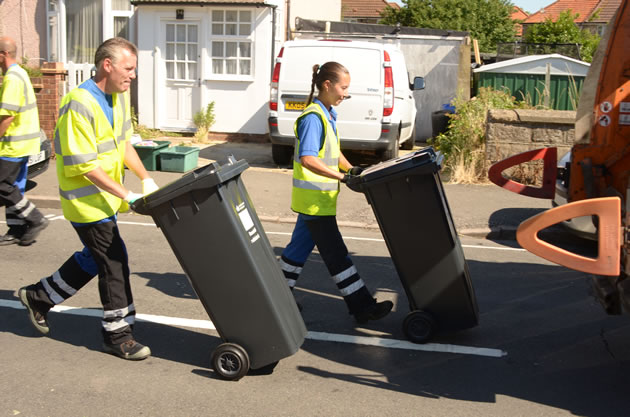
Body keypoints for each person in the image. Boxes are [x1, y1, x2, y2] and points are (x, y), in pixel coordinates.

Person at [18, 37, 159, 361]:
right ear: (107, 66)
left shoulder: (118, 97)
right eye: (129, 68)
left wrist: (146, 178)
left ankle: (39, 297)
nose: (133, 75)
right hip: (85, 203)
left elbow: (123, 144)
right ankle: (117, 334)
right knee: (113, 260)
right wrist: (128, 194)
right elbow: (84, 165)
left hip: (106, 200)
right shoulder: (77, 103)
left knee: (94, 258)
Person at [279, 62, 393, 324]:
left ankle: (276, 298)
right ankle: (362, 307)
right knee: (337, 255)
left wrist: (352, 170)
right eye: (343, 88)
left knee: (296, 253)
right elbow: (308, 158)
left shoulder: (326, 114)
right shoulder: (312, 118)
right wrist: (342, 177)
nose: (345, 93)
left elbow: (332, 152)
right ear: (327, 85)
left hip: (316, 201)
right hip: (316, 203)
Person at [0, 37, 49, 246]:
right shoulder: (21, 73)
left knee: (2, 185)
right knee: (14, 187)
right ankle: (16, 229)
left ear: (2, 55)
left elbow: (7, 116)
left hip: (14, 144)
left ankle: (35, 219)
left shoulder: (12, 78)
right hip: (26, 142)